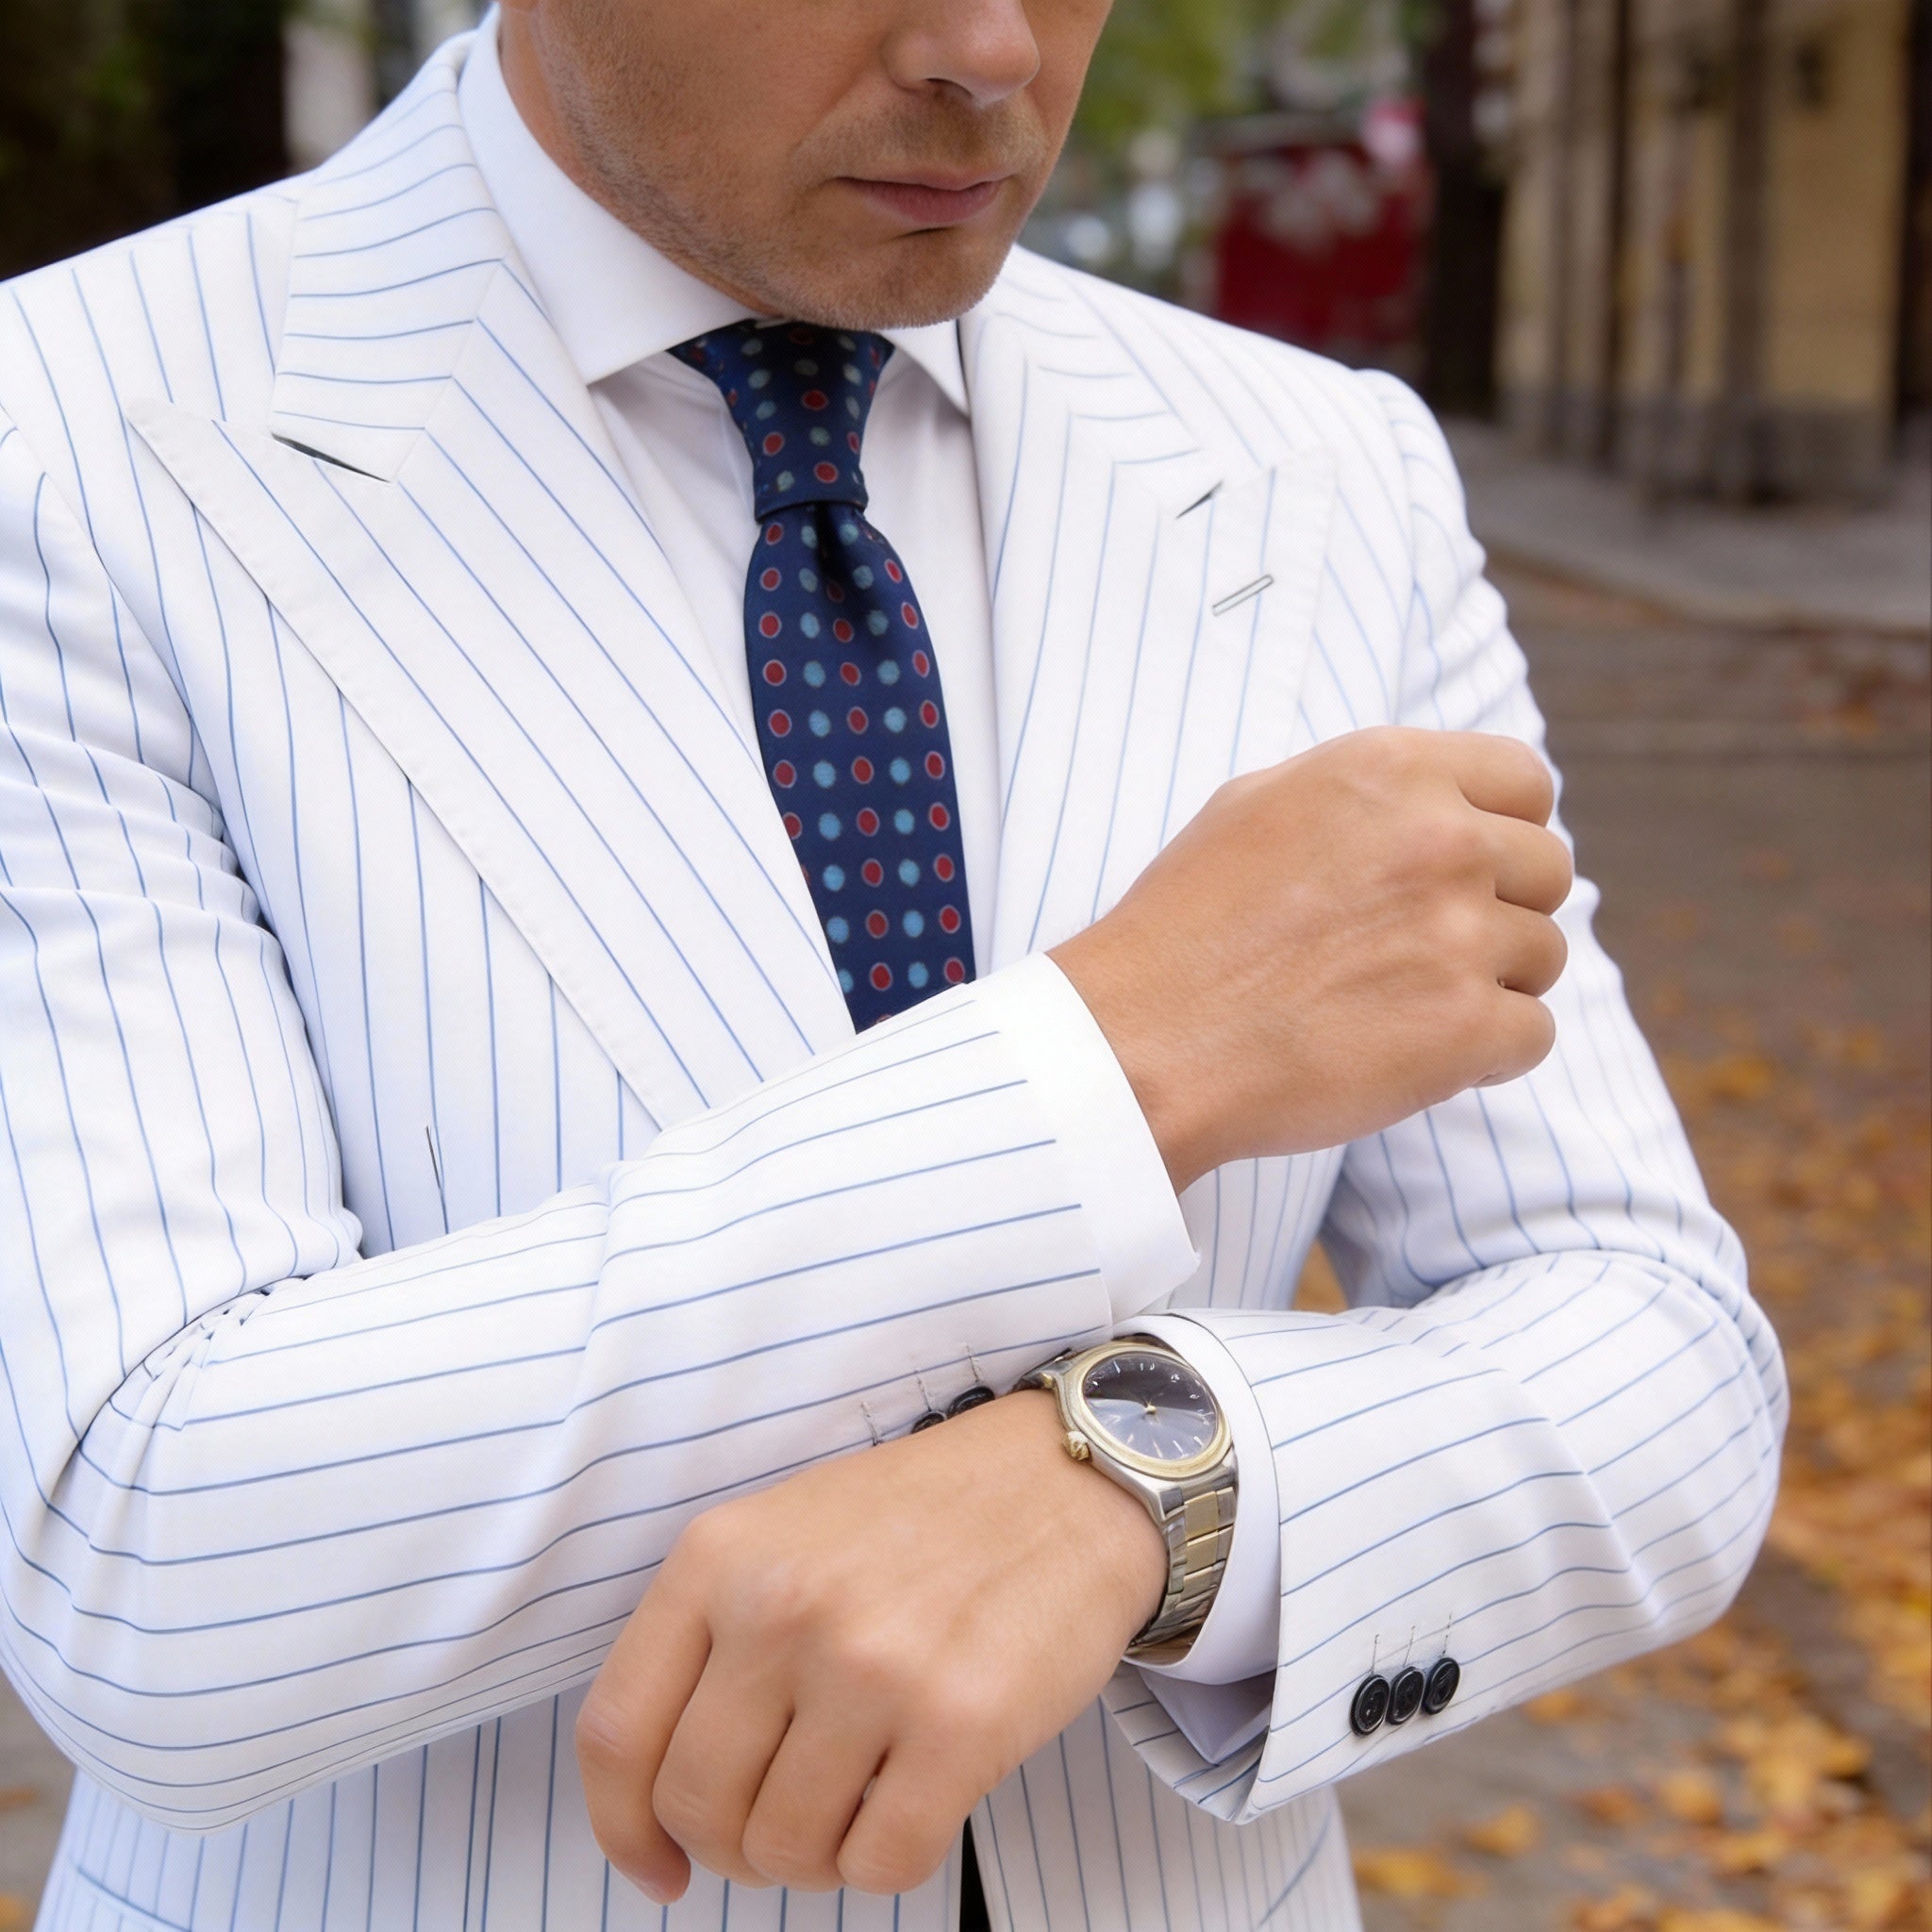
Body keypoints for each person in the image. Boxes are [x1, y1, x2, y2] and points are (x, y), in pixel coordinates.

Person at [0, 1, 1785, 1925]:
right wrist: (1114, 1057)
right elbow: (149, 1561)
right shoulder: (64, 443)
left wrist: (1147, 1487)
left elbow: (1653, 1351)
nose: (986, 44)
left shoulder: (1317, 464)